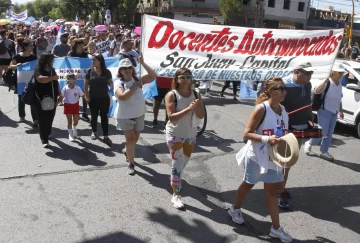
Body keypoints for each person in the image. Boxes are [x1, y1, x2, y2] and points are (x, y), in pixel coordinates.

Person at [228, 77, 293, 243]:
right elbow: (246, 134)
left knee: (271, 192)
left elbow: (282, 132)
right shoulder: (261, 109)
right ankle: (235, 209)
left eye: (284, 88)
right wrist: (267, 139)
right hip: (256, 156)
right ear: (270, 91)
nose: (283, 91)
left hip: (273, 158)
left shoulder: (283, 110)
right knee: (248, 184)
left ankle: (276, 229)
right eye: (279, 88)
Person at [164, 68, 205, 209]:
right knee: (177, 163)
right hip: (174, 134)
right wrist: (188, 109)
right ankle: (176, 195)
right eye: (183, 77)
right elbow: (171, 117)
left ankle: (175, 179)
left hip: (190, 135)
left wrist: (196, 106)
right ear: (177, 79)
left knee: (182, 163)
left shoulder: (196, 94)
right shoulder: (172, 95)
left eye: (189, 76)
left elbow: (201, 115)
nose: (186, 79)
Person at [280, 61, 314, 209]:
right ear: (296, 72)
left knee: (288, 163)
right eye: (307, 73)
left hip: (301, 129)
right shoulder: (284, 86)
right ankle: (279, 192)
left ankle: (279, 188)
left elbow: (308, 102)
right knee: (284, 164)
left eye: (311, 73)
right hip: (287, 130)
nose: (309, 76)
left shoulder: (307, 85)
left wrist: (310, 114)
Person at [114, 57, 157, 175]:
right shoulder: (119, 83)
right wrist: (134, 87)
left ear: (132, 69)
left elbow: (153, 76)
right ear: (120, 71)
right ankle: (131, 164)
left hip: (139, 115)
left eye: (129, 67)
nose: (127, 70)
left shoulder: (138, 79)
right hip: (125, 117)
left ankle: (127, 150)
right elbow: (122, 97)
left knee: (135, 140)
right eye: (124, 68)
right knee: (131, 139)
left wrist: (143, 63)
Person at [304, 63, 345, 161]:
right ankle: (310, 142)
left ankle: (324, 151)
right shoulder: (327, 82)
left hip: (334, 111)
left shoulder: (340, 85)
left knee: (329, 133)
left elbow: (339, 99)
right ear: (333, 73)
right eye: (340, 72)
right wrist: (324, 81)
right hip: (325, 110)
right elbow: (316, 91)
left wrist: (341, 111)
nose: (341, 75)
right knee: (322, 131)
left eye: (342, 73)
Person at [33, 53, 62, 148]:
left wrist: (60, 93)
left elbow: (56, 81)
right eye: (52, 60)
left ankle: (48, 131)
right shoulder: (38, 68)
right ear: (47, 61)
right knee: (42, 118)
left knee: (50, 115)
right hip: (40, 98)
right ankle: (44, 139)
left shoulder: (52, 70)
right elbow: (40, 79)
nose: (53, 62)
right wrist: (52, 78)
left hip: (52, 96)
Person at [84, 53, 113, 146]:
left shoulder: (106, 72)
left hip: (104, 98)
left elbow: (110, 83)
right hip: (93, 98)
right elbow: (86, 84)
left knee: (104, 117)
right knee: (94, 116)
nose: (92, 61)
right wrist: (86, 95)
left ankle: (105, 136)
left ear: (100, 61)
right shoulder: (89, 71)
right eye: (92, 60)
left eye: (94, 60)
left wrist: (113, 86)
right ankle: (94, 131)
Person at [8, 39, 38, 125]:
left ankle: (35, 119)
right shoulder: (18, 56)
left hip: (31, 81)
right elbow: (10, 66)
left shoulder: (33, 57)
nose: (32, 47)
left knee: (33, 99)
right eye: (30, 46)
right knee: (21, 98)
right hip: (20, 81)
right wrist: (16, 66)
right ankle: (22, 116)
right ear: (25, 47)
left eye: (32, 46)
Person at [67, 38, 90, 120]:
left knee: (84, 94)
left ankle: (84, 112)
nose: (82, 46)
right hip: (74, 76)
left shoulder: (85, 54)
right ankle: (75, 111)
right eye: (80, 45)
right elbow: (68, 64)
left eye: (82, 45)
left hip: (83, 76)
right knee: (75, 94)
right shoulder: (71, 53)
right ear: (76, 46)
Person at [60, 74, 85, 142]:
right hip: (67, 105)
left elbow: (83, 95)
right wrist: (57, 101)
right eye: (69, 79)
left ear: (75, 80)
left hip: (75, 106)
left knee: (76, 121)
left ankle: (74, 128)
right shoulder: (65, 88)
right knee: (69, 121)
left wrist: (88, 100)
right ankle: (70, 135)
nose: (71, 81)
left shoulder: (78, 88)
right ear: (67, 80)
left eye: (73, 79)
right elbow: (61, 97)